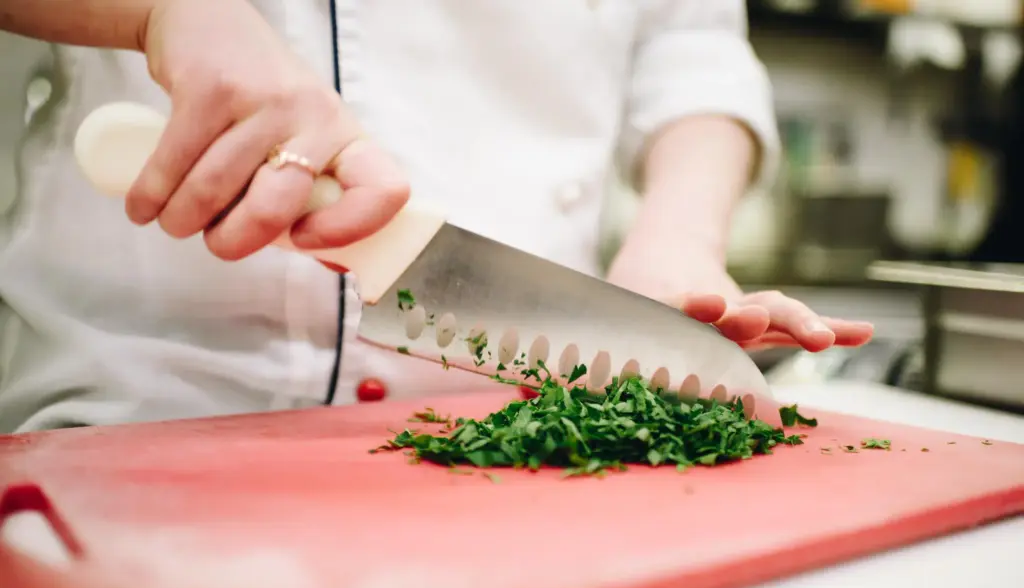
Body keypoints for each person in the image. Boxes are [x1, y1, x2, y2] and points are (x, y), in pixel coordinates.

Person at [0, 0, 874, 434]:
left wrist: (675, 241)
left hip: (511, 413)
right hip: (132, 408)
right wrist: (161, 10)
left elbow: (691, 39)